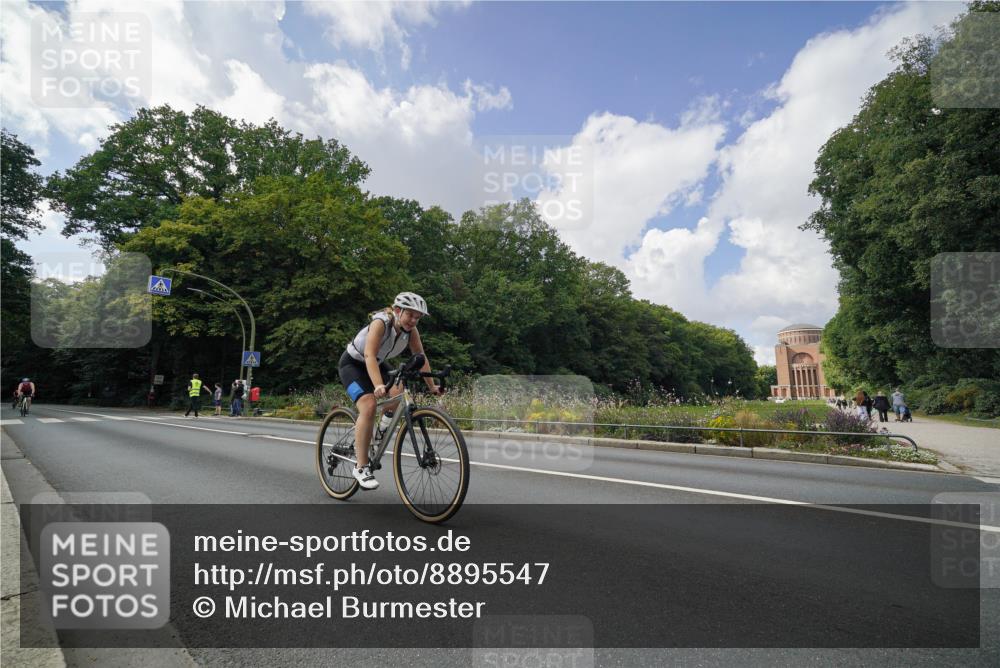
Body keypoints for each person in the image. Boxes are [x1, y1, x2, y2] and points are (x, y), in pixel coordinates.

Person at [339, 292, 442, 490]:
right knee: (368, 406)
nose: (414, 320)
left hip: (376, 363)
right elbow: (369, 355)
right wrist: (378, 385)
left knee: (400, 387)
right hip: (353, 364)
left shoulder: (411, 332)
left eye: (417, 317)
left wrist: (432, 386)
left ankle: (380, 432)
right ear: (397, 311)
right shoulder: (381, 323)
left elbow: (420, 357)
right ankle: (361, 467)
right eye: (410, 315)